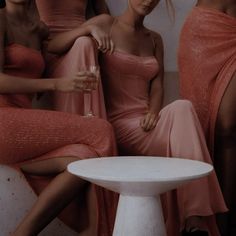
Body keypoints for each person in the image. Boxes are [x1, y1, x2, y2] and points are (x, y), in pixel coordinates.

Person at [50, 0, 229, 235]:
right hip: (115, 124)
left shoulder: (155, 39)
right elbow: (52, 45)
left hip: (146, 121)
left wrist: (154, 111)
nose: (147, 1)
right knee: (182, 112)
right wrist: (87, 29)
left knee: (183, 107)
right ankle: (195, 219)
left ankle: (194, 220)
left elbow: (157, 86)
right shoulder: (106, 23)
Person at [0, 0, 117, 235]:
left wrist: (87, 35)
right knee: (101, 130)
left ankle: (23, 233)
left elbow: (44, 76)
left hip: (22, 129)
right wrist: (58, 84)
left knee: (84, 158)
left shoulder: (40, 29)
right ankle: (107, 231)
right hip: (3, 120)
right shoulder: (0, 19)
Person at [178, 1, 236, 235]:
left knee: (227, 127)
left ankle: (226, 222)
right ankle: (213, 221)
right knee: (212, 128)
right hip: (204, 28)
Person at [34, 0, 110, 117]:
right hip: (50, 47)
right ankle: (74, 128)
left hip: (84, 43)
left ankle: (91, 125)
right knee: (84, 43)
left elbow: (107, 18)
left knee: (84, 43)